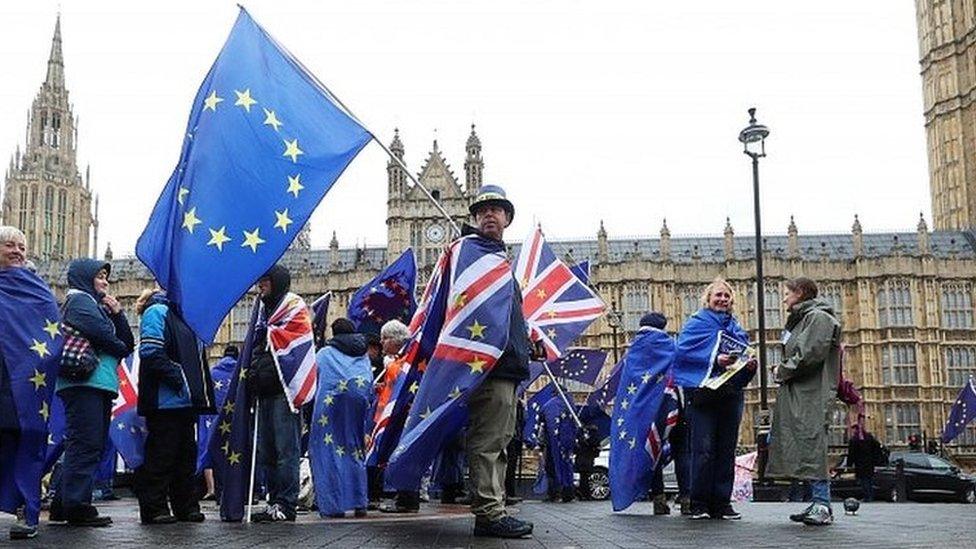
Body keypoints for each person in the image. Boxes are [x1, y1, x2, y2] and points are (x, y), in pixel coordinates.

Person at [463, 185, 534, 538]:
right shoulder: (470, 254)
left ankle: (495, 508)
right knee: (489, 439)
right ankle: (489, 513)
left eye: (497, 209)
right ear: (474, 218)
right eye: (483, 210)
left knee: (499, 439)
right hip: (487, 364)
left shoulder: (498, 260)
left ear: (507, 218)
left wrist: (526, 339)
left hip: (506, 364)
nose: (491, 214)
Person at [52, 258, 135, 527]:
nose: (105, 282)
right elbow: (115, 343)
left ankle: (62, 504)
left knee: (85, 442)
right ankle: (77, 506)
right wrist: (116, 339)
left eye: (106, 277)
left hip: (96, 383)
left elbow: (127, 343)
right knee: (86, 443)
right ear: (85, 277)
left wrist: (118, 313)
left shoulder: (94, 305)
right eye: (100, 276)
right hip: (84, 383)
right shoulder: (79, 302)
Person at [674, 277, 755, 521]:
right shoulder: (696, 324)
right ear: (708, 299)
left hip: (730, 394)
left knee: (726, 450)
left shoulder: (736, 328)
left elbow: (742, 356)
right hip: (704, 395)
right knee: (704, 450)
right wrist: (715, 360)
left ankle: (721, 503)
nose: (722, 299)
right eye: (718, 295)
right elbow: (682, 354)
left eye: (726, 296)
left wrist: (749, 366)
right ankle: (698, 502)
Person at [134, 288, 216, 524]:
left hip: (186, 401)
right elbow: (150, 351)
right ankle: (154, 507)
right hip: (165, 400)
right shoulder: (157, 311)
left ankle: (186, 505)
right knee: (162, 455)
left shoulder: (187, 317)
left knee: (185, 456)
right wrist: (179, 378)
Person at [767, 277, 841, 526]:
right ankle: (818, 502)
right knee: (803, 444)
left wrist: (781, 370)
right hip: (800, 391)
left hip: (811, 394)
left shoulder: (818, 317)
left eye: (787, 293)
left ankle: (822, 505)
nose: (784, 298)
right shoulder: (804, 318)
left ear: (800, 293)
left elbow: (809, 354)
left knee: (812, 443)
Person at [0, 226, 57, 539]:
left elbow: (51, 330)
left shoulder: (34, 286)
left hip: (22, 380)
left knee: (25, 439)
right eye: (10, 245)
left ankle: (26, 509)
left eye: (22, 247)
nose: (18, 252)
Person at [248, 265, 304, 523]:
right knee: (266, 451)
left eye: (265, 281)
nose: (260, 285)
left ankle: (287, 503)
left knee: (285, 451)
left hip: (286, 390)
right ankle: (273, 502)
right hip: (265, 389)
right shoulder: (260, 312)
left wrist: (268, 334)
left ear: (278, 282)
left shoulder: (294, 307)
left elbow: (295, 346)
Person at [309, 319, 371, 518]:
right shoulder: (364, 355)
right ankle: (360, 501)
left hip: (329, 407)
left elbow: (312, 382)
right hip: (357, 406)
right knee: (354, 449)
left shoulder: (324, 353)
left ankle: (333, 505)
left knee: (327, 452)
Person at [201, 345, 239, 501]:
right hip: (236, 417)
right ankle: (236, 490)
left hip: (213, 418)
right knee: (236, 453)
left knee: (211, 451)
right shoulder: (240, 372)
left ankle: (213, 489)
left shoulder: (212, 372)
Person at [848, 426, 884, 502]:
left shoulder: (855, 440)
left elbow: (851, 453)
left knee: (863, 481)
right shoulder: (869, 438)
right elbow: (877, 447)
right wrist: (876, 459)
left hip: (860, 464)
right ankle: (870, 496)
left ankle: (867, 496)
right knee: (869, 480)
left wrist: (849, 464)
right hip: (870, 463)